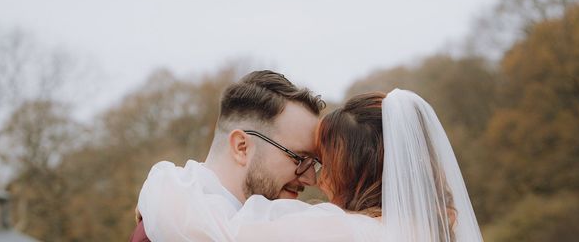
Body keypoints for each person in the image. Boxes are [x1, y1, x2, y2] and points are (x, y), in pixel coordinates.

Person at [138, 89, 484, 242]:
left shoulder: (343, 231)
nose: (314, 179)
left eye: (320, 162)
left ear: (355, 171)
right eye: (301, 158)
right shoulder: (427, 229)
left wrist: (162, 180)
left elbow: (218, 233)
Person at [130, 70, 325, 242]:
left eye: (314, 163)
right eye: (299, 159)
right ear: (242, 147)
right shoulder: (159, 235)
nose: (311, 179)